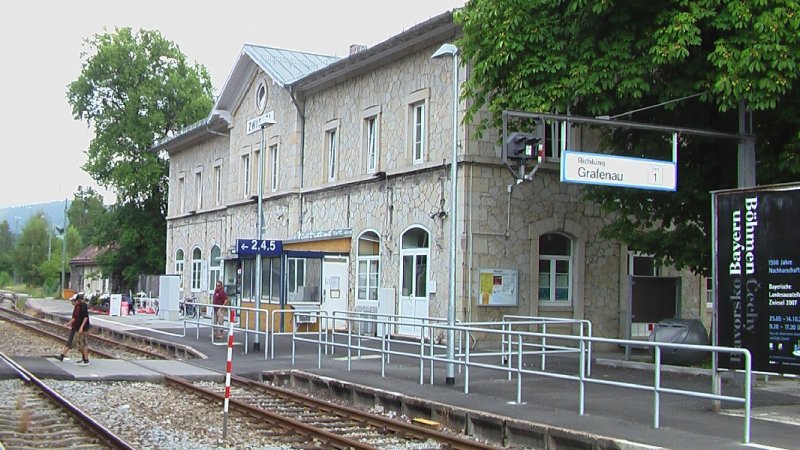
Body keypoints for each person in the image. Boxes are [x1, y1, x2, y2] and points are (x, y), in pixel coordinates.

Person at [55, 294, 81, 361]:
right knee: (70, 342)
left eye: (72, 300)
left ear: (75, 301)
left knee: (79, 343)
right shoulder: (77, 307)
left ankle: (85, 358)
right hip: (75, 327)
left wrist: (67, 324)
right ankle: (62, 355)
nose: (71, 302)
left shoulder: (78, 308)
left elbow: (75, 318)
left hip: (77, 328)